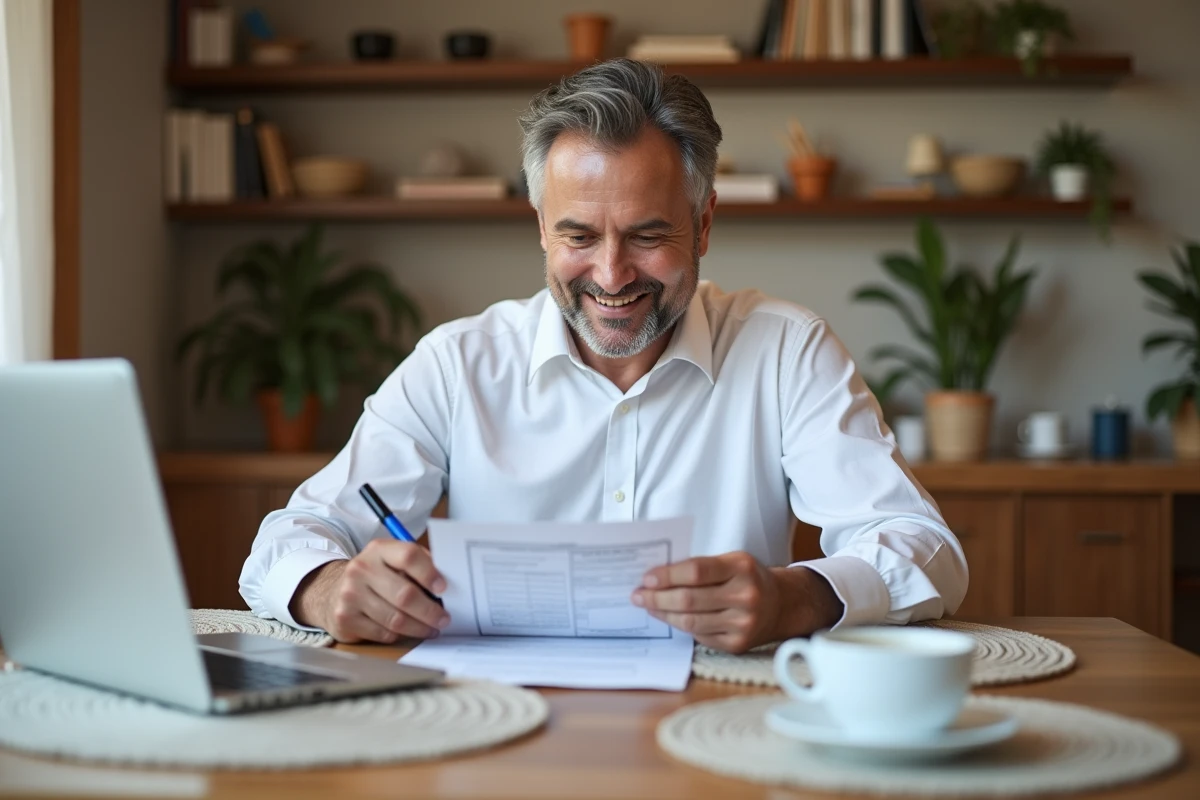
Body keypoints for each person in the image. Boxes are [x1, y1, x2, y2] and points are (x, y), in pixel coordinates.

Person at [239, 58, 967, 654]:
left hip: (719, 726)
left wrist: (796, 597)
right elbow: (289, 540)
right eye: (579, 237)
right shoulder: (457, 365)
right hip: (495, 729)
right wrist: (330, 587)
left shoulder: (785, 350)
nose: (613, 276)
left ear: (704, 223)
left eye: (648, 235)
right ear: (541, 230)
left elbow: (924, 548)